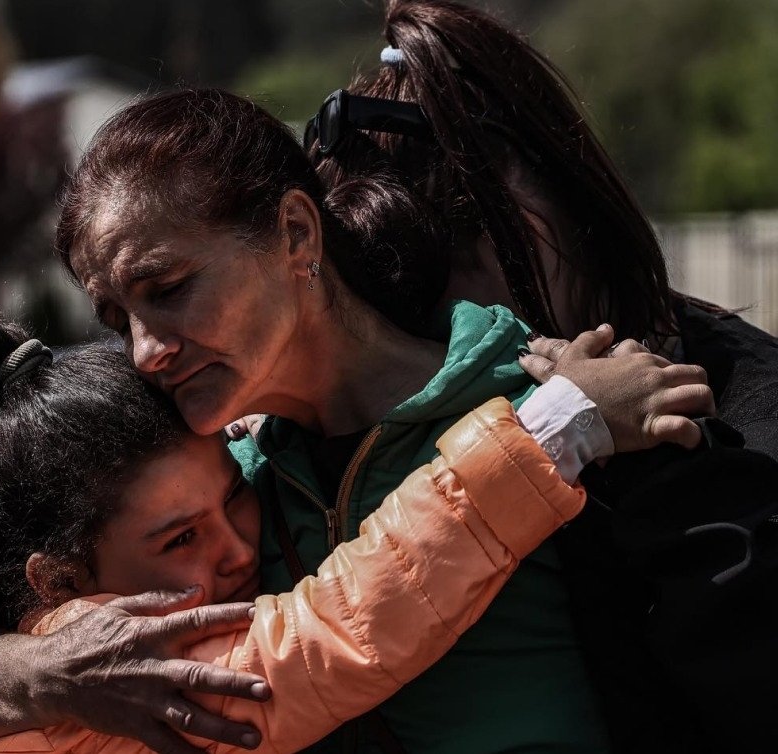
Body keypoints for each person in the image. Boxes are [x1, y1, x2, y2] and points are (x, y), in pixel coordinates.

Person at [0, 81, 729, 754]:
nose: (142, 353)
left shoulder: (539, 395)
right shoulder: (222, 494)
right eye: (115, 318)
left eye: (167, 289)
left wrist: (569, 419)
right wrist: (24, 672)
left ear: (296, 234)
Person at [0, 317, 658, 754]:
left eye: (230, 497)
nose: (236, 548)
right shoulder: (115, 668)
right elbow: (333, 633)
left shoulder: (26, 659)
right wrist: (557, 428)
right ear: (59, 582)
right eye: (178, 540)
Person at [303, 1, 778, 749]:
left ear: (557, 194)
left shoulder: (749, 421)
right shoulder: (343, 450)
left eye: (465, 247)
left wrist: (669, 466)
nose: (470, 338)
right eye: (417, 315)